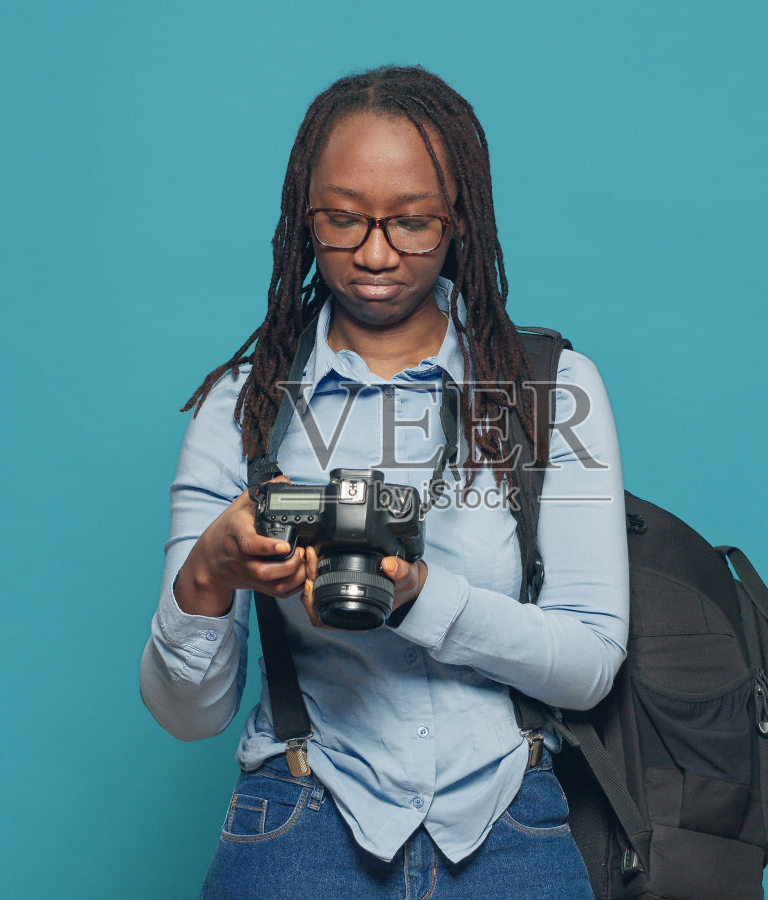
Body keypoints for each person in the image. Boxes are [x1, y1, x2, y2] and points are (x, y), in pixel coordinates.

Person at [140, 65, 628, 898]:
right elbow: (189, 716)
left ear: (460, 218)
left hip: (510, 827)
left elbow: (588, 665)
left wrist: (417, 596)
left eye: (412, 223)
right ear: (304, 216)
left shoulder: (550, 391)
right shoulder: (244, 406)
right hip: (299, 823)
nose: (374, 254)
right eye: (342, 219)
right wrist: (208, 574)